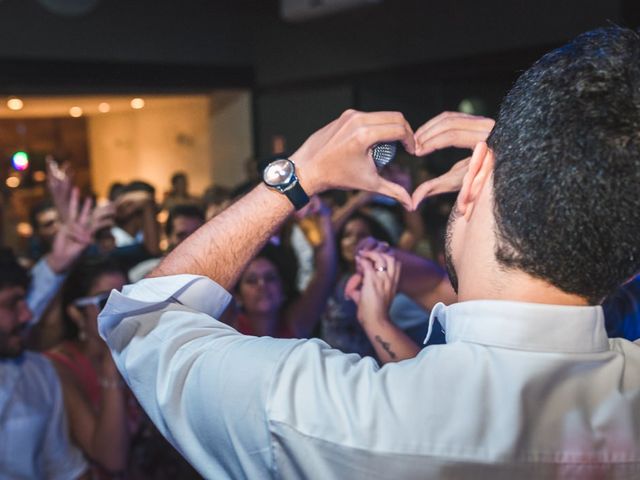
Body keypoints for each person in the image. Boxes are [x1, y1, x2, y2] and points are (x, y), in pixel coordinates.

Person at [100, 27, 640, 478]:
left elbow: (146, 325)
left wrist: (295, 176)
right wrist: (544, 165)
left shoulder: (337, 416)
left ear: (473, 176)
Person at [0, 191, 94, 478]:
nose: (28, 315)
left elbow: (63, 467)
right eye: (12, 304)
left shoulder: (38, 372)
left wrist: (57, 261)